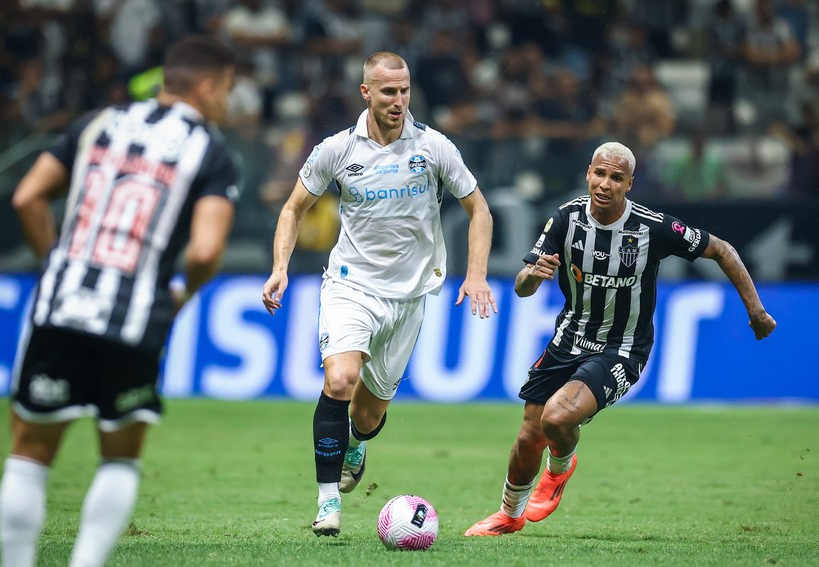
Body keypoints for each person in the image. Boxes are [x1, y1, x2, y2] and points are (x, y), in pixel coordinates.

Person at [0, 35, 238, 567]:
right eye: (229, 90)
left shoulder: (96, 123)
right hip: (134, 320)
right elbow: (206, 249)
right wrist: (180, 292)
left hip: (61, 307)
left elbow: (27, 195)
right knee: (120, 456)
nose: (230, 103)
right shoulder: (210, 150)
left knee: (30, 453)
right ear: (207, 87)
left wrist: (56, 265)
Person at [465, 141, 776, 537]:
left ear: (629, 183)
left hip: (622, 348)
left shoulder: (653, 227)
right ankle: (509, 515)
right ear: (588, 174)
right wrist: (533, 275)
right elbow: (523, 288)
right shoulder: (566, 218)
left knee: (557, 418)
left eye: (616, 177)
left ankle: (559, 469)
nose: (605, 184)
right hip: (568, 338)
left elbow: (722, 250)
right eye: (599, 173)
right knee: (529, 435)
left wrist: (756, 311)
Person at [261, 51, 496, 537]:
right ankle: (328, 502)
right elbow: (293, 208)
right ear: (366, 92)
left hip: (410, 297)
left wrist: (476, 274)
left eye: (405, 90)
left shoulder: (433, 147)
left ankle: (358, 443)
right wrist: (280, 266)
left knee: (366, 418)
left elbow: (479, 209)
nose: (399, 100)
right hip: (352, 285)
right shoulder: (337, 150)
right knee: (341, 380)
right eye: (388, 91)